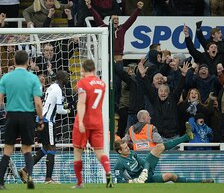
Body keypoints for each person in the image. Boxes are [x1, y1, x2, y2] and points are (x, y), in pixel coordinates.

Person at [0, 50, 43, 190]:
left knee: (7, 149)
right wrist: (41, 119)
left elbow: (0, 100)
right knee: (27, 149)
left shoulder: (6, 78)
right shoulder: (33, 78)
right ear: (27, 62)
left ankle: (0, 182)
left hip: (11, 115)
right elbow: (37, 102)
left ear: (14, 61)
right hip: (27, 116)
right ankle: (29, 177)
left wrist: (5, 113)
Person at [18, 70, 70, 184]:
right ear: (62, 78)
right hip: (48, 121)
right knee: (51, 148)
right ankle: (48, 179)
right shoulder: (58, 89)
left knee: (45, 148)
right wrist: (68, 110)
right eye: (66, 76)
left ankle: (25, 170)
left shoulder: (51, 87)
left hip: (41, 119)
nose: (68, 78)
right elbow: (60, 110)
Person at [72, 59, 113, 188]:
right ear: (94, 69)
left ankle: (80, 183)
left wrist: (81, 122)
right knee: (100, 151)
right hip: (98, 121)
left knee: (78, 152)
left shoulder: (82, 83)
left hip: (84, 121)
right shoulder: (102, 83)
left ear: (83, 70)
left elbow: (82, 102)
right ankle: (108, 172)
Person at [113, 136, 214, 184]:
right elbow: (118, 181)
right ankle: (201, 182)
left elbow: (145, 163)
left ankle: (187, 136)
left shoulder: (132, 153)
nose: (128, 148)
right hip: (144, 181)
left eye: (127, 146)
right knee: (171, 176)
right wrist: (133, 182)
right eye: (125, 148)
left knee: (159, 147)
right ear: (119, 151)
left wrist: (145, 170)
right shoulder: (119, 164)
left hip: (146, 173)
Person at [123, 109, 194, 151]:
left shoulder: (131, 129)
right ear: (144, 118)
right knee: (165, 145)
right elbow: (159, 142)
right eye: (148, 116)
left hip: (137, 155)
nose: (150, 118)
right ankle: (186, 136)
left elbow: (124, 141)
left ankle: (186, 136)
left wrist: (132, 145)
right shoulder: (151, 128)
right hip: (152, 154)